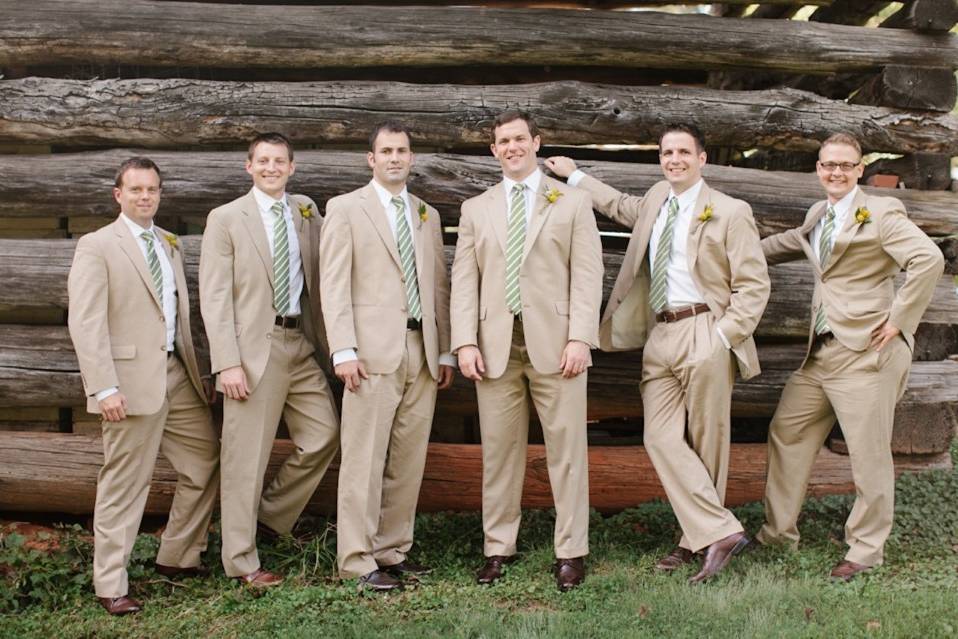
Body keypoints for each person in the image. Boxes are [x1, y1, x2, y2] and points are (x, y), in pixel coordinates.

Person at [546, 122, 770, 583]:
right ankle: (720, 531)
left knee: (708, 443)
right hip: (661, 332)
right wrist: (573, 176)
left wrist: (723, 337)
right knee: (660, 437)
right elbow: (617, 205)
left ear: (701, 158)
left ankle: (697, 541)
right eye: (667, 153)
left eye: (684, 152)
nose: (675, 160)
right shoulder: (654, 200)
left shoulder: (729, 210)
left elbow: (754, 284)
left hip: (706, 328)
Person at [756, 132, 944, 581]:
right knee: (787, 432)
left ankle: (864, 549)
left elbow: (928, 258)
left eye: (845, 165)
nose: (835, 172)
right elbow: (788, 244)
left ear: (860, 169)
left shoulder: (881, 211)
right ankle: (777, 534)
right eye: (828, 165)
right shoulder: (818, 212)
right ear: (818, 169)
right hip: (820, 353)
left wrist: (901, 320)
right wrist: (728, 253)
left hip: (867, 351)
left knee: (868, 454)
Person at [451, 111, 603, 591]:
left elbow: (587, 274)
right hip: (494, 347)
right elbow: (463, 280)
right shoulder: (477, 208)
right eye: (502, 141)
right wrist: (464, 341)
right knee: (498, 453)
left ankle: (571, 551)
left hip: (557, 346)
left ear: (536, 142)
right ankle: (498, 548)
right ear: (494, 150)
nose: (512, 147)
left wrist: (581, 336)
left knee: (567, 453)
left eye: (519, 138)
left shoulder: (573, 202)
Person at [68, 157, 219, 615]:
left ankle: (176, 556)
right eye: (135, 190)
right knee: (124, 483)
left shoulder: (167, 244)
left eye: (152, 189)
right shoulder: (97, 246)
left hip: (177, 375)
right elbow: (86, 321)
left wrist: (199, 373)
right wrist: (103, 387)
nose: (144, 197)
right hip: (128, 383)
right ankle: (111, 584)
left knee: (204, 461)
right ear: (119, 194)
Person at [199, 132, 340, 587]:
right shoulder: (225, 219)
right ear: (249, 167)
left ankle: (265, 518)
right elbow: (214, 296)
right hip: (252, 350)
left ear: (292, 167)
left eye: (280, 161)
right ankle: (241, 560)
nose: (271, 168)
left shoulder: (306, 211)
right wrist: (227, 362)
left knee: (323, 434)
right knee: (245, 458)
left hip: (300, 343)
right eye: (263, 161)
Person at [320, 121, 455, 592]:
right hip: (370, 352)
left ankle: (392, 551)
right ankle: (356, 559)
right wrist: (343, 348)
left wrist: (446, 352)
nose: (395, 157)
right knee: (364, 458)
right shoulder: (345, 209)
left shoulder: (427, 215)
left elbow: (438, 285)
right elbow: (333, 283)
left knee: (408, 458)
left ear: (411, 158)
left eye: (402, 150)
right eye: (386, 151)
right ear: (371, 159)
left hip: (422, 350)